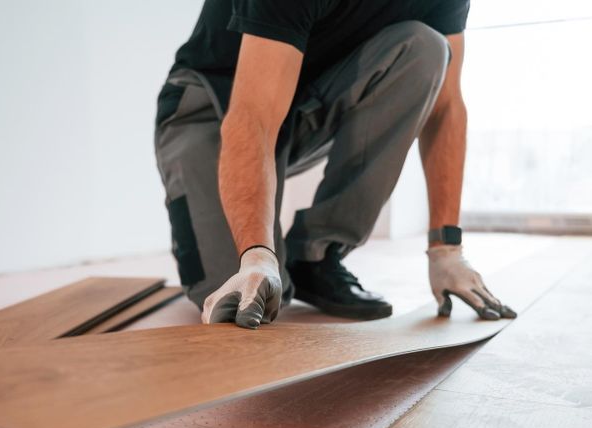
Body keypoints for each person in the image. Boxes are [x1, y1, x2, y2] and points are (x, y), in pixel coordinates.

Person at [155, 0, 516, 329]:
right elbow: (253, 118)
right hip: (210, 112)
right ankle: (262, 258)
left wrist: (446, 248)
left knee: (426, 48)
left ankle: (317, 254)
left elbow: (446, 107)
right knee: (237, 299)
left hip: (302, 109)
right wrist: (255, 255)